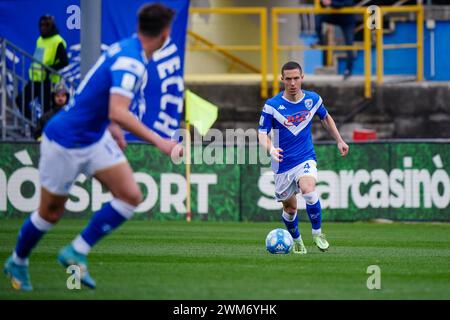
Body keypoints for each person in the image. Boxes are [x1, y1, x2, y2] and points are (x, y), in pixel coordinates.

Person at [4, 3, 182, 291]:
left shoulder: (127, 49)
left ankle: (76, 250)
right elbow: (118, 110)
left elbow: (97, 94)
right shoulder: (131, 61)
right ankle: (18, 260)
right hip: (64, 140)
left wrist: (111, 128)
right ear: (165, 33)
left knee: (130, 195)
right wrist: (161, 141)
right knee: (50, 213)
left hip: (95, 137)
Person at [258, 61, 349, 254]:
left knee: (308, 189)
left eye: (296, 78)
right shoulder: (272, 106)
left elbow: (325, 117)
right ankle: (297, 240)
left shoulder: (312, 100)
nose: (292, 83)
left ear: (302, 78)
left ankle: (317, 233)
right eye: (288, 79)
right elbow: (261, 133)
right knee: (290, 209)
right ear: (282, 79)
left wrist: (340, 140)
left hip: (305, 157)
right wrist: (271, 148)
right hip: (282, 163)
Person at [15, 15, 69, 120]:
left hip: (48, 81)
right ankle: (34, 127)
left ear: (52, 26)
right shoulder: (40, 39)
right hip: (35, 79)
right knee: (20, 100)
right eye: (41, 25)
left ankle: (44, 132)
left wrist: (49, 69)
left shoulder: (57, 41)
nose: (43, 27)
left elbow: (64, 62)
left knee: (46, 109)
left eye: (46, 25)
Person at [315, 0, 355, 80]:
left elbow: (348, 3)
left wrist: (331, 3)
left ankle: (348, 71)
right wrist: (323, 2)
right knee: (318, 17)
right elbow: (323, 5)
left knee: (349, 46)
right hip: (335, 16)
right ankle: (321, 41)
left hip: (347, 20)